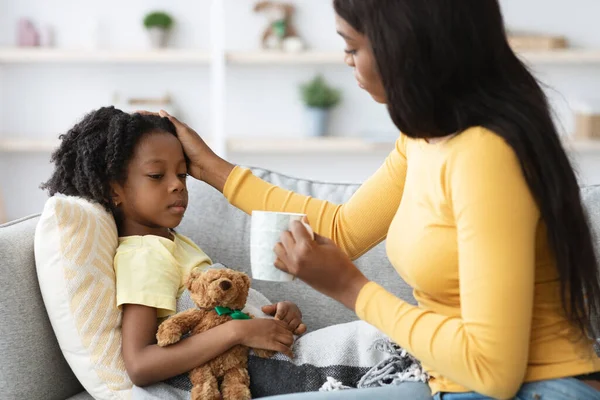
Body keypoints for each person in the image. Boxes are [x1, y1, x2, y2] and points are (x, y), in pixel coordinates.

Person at [156, 0, 600, 399]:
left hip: (536, 388)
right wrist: (209, 166)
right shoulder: (425, 139)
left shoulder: (487, 156)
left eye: (352, 47)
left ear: (406, 48)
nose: (346, 61)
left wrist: (350, 287)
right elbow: (341, 230)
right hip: (449, 380)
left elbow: (493, 371)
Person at [41, 107, 307, 389]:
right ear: (114, 190)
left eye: (182, 175)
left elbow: (214, 312)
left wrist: (270, 315)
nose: (176, 186)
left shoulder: (174, 243)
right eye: (157, 175)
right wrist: (239, 331)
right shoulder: (144, 255)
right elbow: (140, 364)